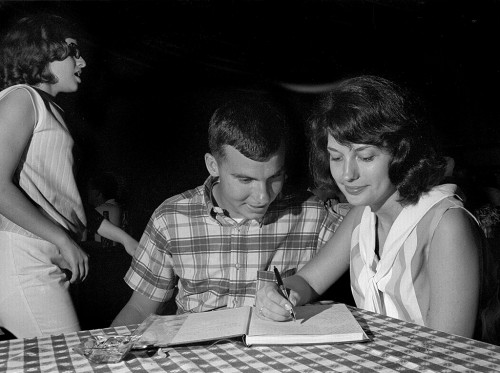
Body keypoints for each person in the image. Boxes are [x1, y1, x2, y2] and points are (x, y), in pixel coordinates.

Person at [256, 75, 500, 342]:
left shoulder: (446, 224)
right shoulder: (362, 214)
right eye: (336, 157)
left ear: (402, 152)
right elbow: (308, 282)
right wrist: (279, 293)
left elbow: (449, 350)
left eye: (366, 157)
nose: (347, 174)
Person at [111, 98, 342, 326]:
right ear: (213, 166)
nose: (263, 196)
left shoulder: (311, 214)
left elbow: (364, 225)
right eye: (245, 180)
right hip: (197, 358)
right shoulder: (170, 218)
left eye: (274, 177)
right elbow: (140, 308)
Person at [0, 14, 89, 338]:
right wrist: (62, 238)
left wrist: (123, 239)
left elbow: (55, 199)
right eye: (72, 52)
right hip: (23, 256)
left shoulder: (49, 108)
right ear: (43, 53)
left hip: (41, 254)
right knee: (70, 362)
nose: (82, 61)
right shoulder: (23, 97)